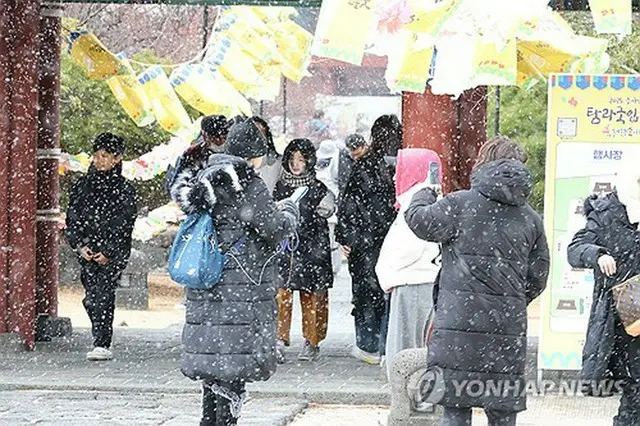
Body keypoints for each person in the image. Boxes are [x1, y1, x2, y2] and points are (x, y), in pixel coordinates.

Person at [404, 136, 550, 426]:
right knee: (502, 411)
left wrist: (425, 193)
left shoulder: (459, 204)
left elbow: (418, 220)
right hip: (506, 329)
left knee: (455, 407)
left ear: (484, 164)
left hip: (458, 325)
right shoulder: (530, 219)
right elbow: (538, 277)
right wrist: (510, 299)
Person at [170, 118, 300, 426]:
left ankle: (209, 420)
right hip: (239, 285)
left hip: (209, 280)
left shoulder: (205, 178)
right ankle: (225, 421)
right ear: (252, 154)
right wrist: (290, 211)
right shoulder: (246, 182)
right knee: (232, 365)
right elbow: (273, 228)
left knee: (214, 364)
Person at [567, 173, 640, 426]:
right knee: (634, 391)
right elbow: (576, 249)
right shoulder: (606, 212)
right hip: (625, 320)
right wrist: (598, 255)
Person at [65, 133, 138, 362]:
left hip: (113, 251)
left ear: (116, 158)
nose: (99, 160)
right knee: (91, 298)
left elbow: (124, 223)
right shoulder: (83, 185)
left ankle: (102, 341)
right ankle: (100, 334)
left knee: (103, 294)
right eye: (96, 156)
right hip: (88, 249)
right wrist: (80, 244)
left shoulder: (125, 189)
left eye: (104, 156)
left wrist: (108, 250)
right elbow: (73, 216)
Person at [376, 148, 441, 380]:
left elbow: (405, 249)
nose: (395, 177)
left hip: (412, 284)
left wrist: (385, 273)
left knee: (405, 353)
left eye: (400, 170)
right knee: (420, 348)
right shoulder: (430, 201)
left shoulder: (416, 205)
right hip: (421, 283)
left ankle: (408, 407)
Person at [336, 133, 397, 365]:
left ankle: (368, 344)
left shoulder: (359, 169)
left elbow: (349, 206)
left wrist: (347, 236)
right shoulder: (383, 167)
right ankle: (381, 343)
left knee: (364, 295)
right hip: (379, 238)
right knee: (379, 293)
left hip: (363, 241)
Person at [273, 138, 334, 362]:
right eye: (292, 159)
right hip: (285, 247)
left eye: (301, 159)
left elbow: (328, 208)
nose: (296, 164)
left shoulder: (318, 188)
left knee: (313, 296)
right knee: (281, 294)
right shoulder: (279, 186)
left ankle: (312, 340)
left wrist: (326, 208)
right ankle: (279, 339)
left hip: (312, 247)